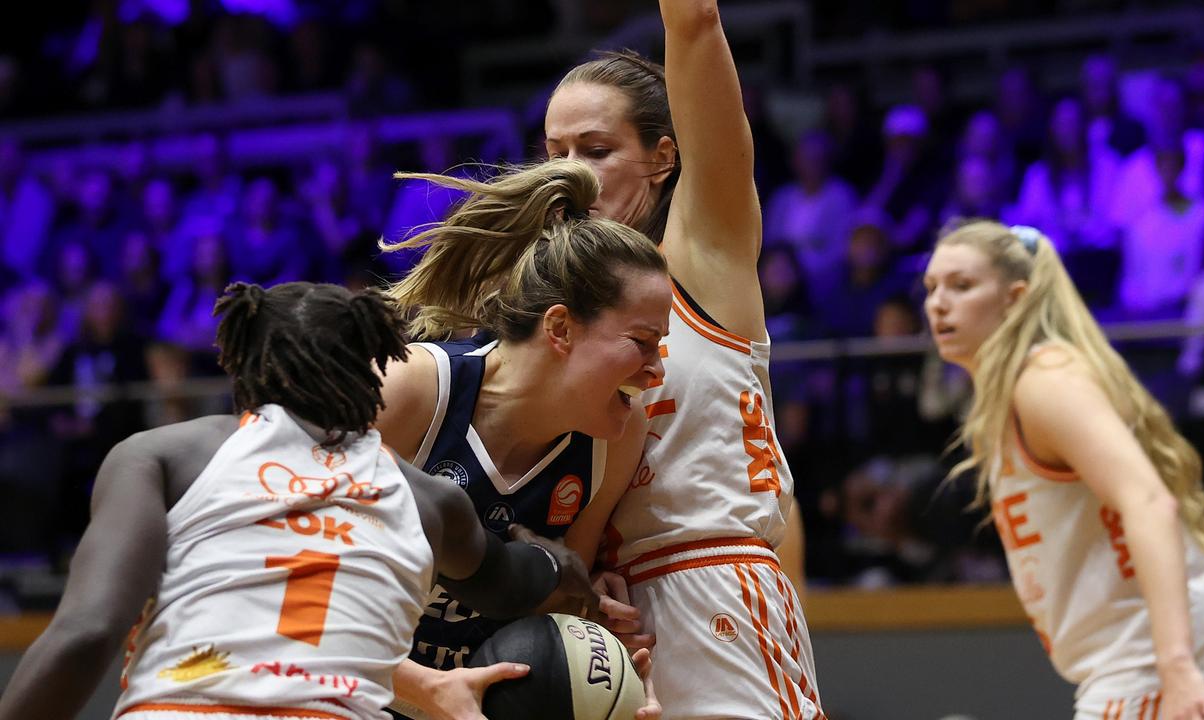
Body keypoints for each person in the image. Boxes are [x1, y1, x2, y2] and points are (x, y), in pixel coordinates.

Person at [0, 282, 599, 720]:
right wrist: (558, 563)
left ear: (242, 363)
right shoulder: (429, 499)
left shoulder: (167, 454)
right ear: (371, 375)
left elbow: (88, 631)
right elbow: (509, 581)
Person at [541, 2, 825, 716]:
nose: (570, 174)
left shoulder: (703, 259)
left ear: (664, 158)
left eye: (596, 151)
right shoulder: (547, 313)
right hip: (603, 620)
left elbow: (695, 22)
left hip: (713, 586)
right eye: (555, 154)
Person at [921, 219, 1204, 719]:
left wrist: (1177, 667)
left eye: (961, 286)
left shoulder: (1044, 382)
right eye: (931, 288)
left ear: (1015, 299)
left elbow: (1149, 501)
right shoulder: (1013, 394)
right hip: (1148, 661)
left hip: (1160, 662)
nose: (938, 303)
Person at [376, 158, 669, 720]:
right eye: (642, 341)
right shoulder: (409, 387)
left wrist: (611, 681)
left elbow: (555, 613)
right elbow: (282, 579)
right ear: (559, 328)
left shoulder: (617, 436)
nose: (658, 370)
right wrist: (422, 687)